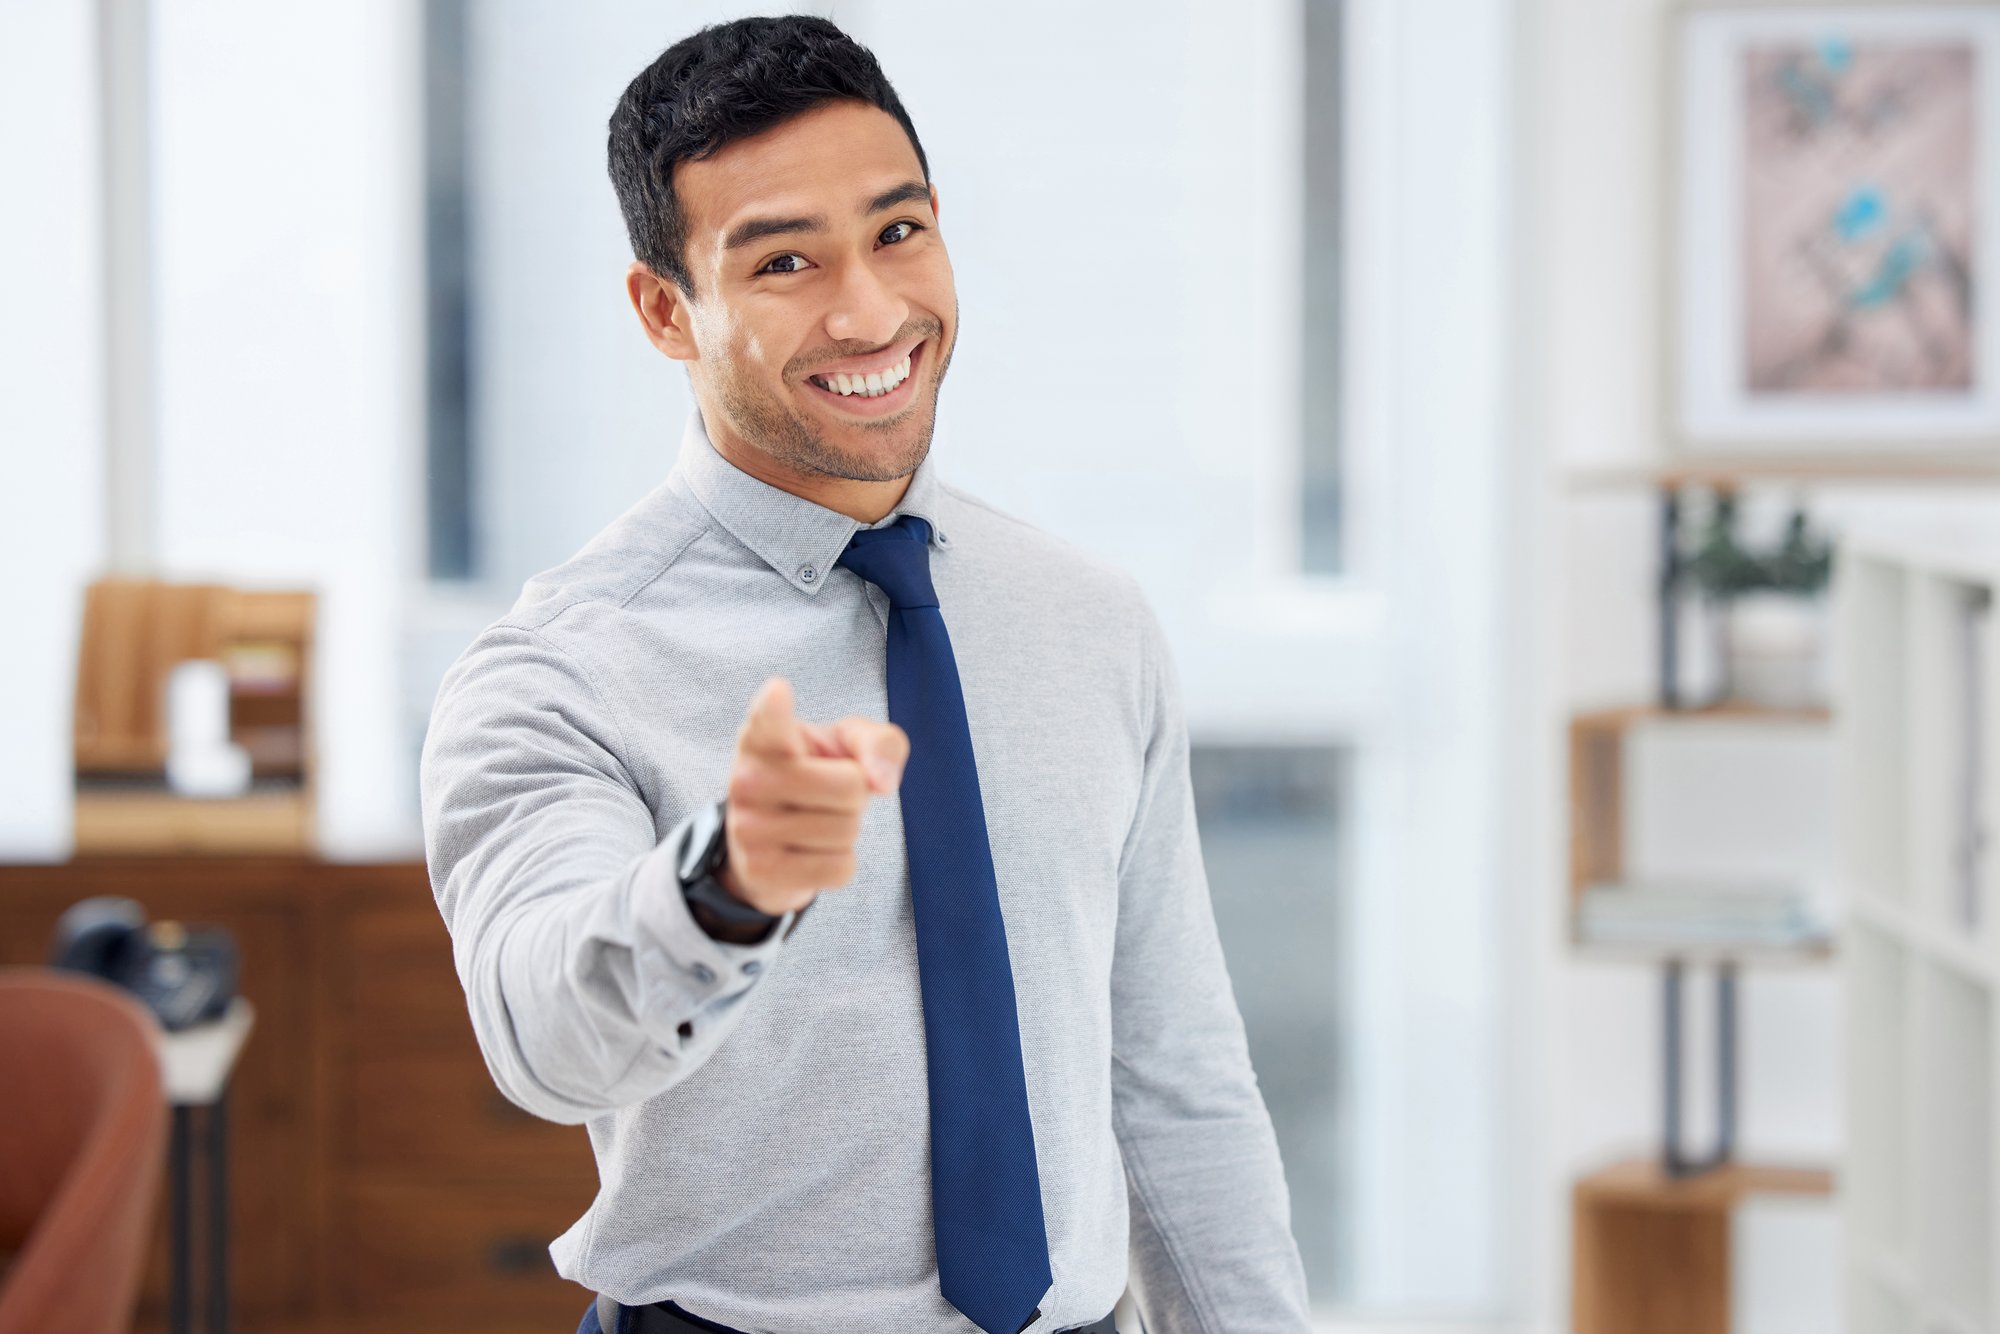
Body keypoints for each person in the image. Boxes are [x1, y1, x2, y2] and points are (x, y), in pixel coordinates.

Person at [419, 15, 1311, 1334]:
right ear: (668, 309)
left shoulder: (1089, 620)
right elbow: (546, 1040)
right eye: (784, 259)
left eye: (898, 232)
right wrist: (725, 888)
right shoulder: (557, 669)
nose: (871, 310)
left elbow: (1176, 1082)